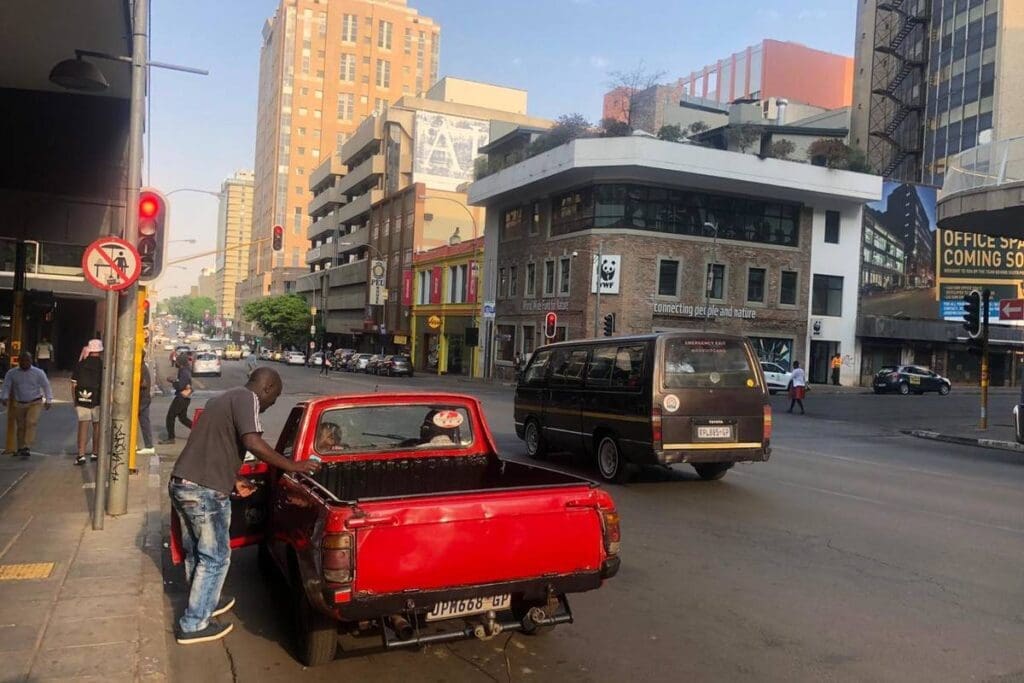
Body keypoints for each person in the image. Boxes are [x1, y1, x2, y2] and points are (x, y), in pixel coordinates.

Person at [168, 367, 320, 645]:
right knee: (215, 557)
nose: (272, 404)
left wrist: (234, 478)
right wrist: (293, 466)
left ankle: (203, 602)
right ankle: (194, 623)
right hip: (204, 490)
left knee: (197, 554)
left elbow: (212, 446)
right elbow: (253, 441)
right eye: (275, 397)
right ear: (268, 387)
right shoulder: (248, 399)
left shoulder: (221, 400)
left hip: (184, 483)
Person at [0, 352, 53, 457]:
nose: (25, 363)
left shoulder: (38, 373)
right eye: (22, 361)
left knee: (31, 422)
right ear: (18, 362)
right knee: (21, 426)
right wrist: (4, 397)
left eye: (27, 361)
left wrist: (49, 400)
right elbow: (6, 385)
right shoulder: (12, 373)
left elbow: (46, 386)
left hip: (35, 402)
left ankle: (26, 446)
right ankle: (20, 447)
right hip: (19, 403)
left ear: (31, 361)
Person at [71, 339, 103, 465]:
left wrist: (75, 400)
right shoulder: (103, 365)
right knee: (97, 427)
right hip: (98, 400)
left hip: (82, 398)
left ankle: (81, 454)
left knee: (83, 427)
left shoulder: (80, 364)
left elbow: (73, 384)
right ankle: (95, 452)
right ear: (100, 351)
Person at [161, 355, 193, 444]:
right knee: (183, 418)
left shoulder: (184, 371)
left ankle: (171, 438)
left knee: (170, 417)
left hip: (181, 397)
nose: (176, 363)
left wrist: (173, 381)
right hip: (186, 398)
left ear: (180, 363)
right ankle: (198, 430)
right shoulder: (186, 370)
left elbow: (180, 385)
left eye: (177, 361)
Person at [137, 349, 155, 456]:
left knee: (144, 422)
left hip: (142, 400)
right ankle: (148, 445)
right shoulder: (142, 367)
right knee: (143, 422)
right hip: (144, 399)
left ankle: (149, 446)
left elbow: (143, 384)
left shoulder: (142, 368)